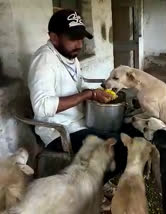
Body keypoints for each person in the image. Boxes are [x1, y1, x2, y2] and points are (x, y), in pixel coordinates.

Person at [28, 9, 126, 206]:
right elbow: (41, 107)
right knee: (121, 149)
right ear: (53, 37)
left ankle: (98, 181)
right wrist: (88, 94)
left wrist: (96, 92)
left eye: (81, 39)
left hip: (80, 122)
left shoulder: (69, 57)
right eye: (73, 39)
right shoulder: (44, 62)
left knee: (129, 131)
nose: (79, 45)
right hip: (60, 132)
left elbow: (78, 83)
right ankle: (88, 193)